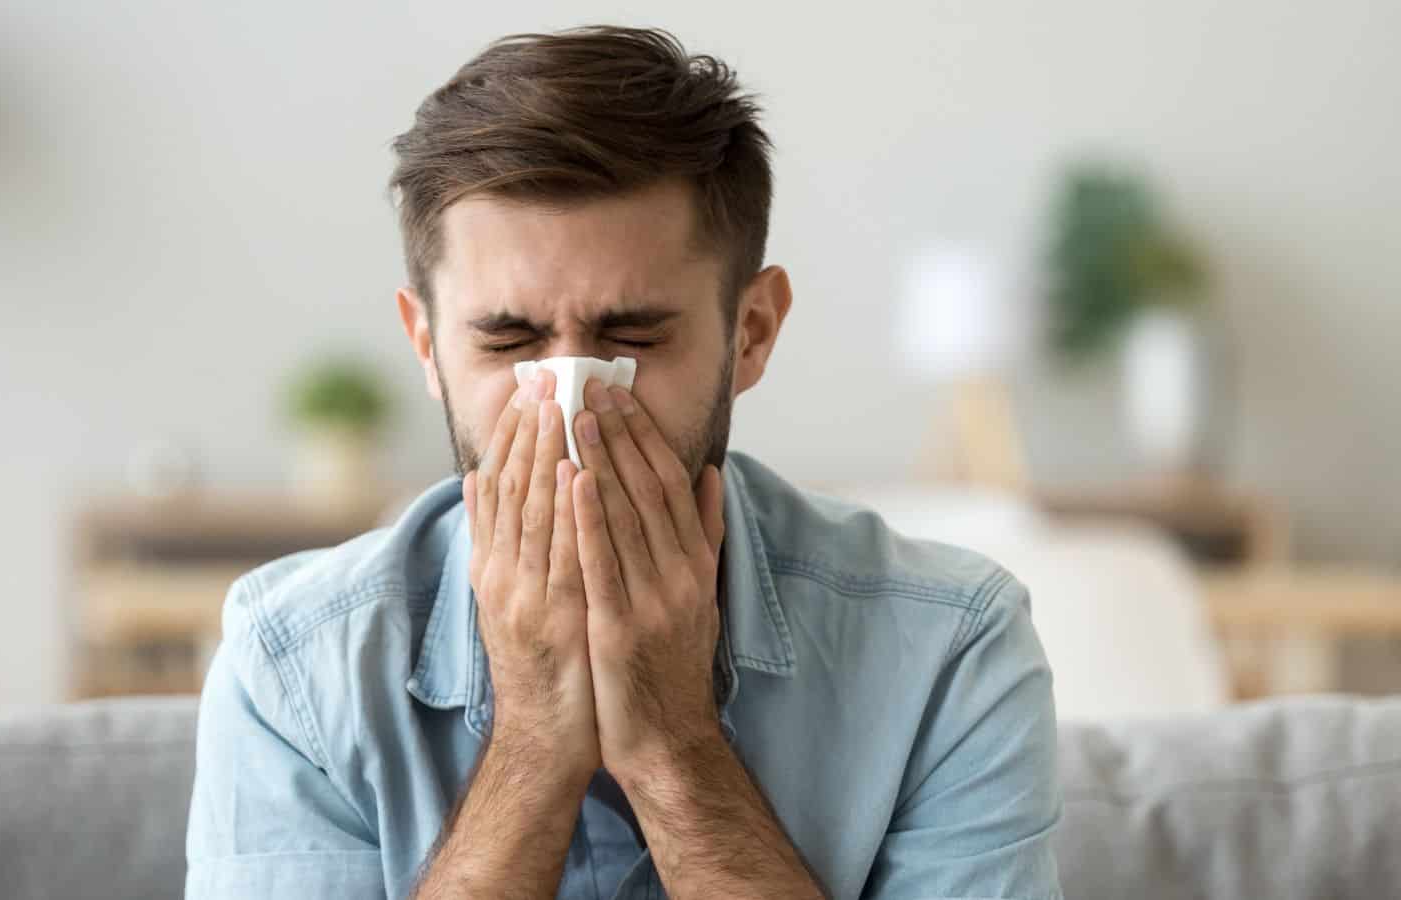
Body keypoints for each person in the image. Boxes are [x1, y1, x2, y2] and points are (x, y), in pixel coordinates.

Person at [186, 24, 1062, 900]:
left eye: (632, 337)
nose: (571, 410)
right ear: (425, 344)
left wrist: (674, 744)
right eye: (509, 341)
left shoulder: (951, 650)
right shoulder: (293, 668)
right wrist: (532, 744)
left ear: (750, 333)